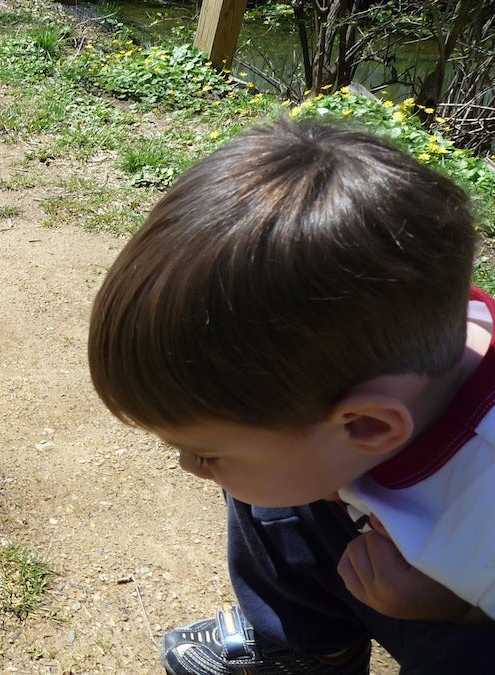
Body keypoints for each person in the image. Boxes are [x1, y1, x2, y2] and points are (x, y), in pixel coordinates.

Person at [87, 116, 495, 674]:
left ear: (368, 426)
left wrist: (448, 608)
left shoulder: (484, 506)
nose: (187, 466)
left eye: (203, 451)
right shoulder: (423, 344)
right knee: (274, 478)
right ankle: (310, 646)